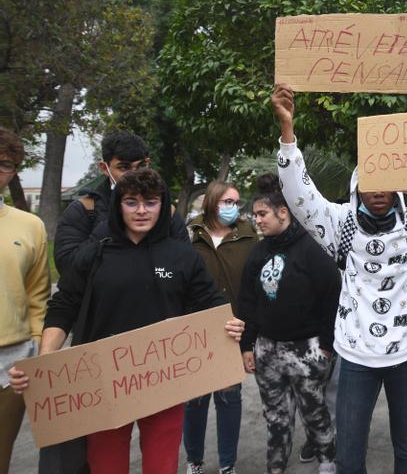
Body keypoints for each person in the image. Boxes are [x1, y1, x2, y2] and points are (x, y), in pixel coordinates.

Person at [271, 83, 407, 474]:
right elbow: (300, 195)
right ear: (356, 186)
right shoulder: (339, 224)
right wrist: (287, 135)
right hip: (355, 354)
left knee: (406, 449)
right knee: (348, 454)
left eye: (386, 180)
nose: (378, 190)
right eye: (369, 181)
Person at [8, 168, 244, 474]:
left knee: (162, 467)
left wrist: (229, 324)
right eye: (131, 202)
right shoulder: (93, 255)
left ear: (163, 205)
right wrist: (44, 362)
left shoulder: (183, 257)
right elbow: (63, 306)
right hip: (102, 388)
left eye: (151, 202)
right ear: (119, 205)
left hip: (166, 383)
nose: (142, 210)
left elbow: (211, 303)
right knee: (106, 467)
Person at [238, 173, 340, 474]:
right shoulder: (257, 254)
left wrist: (325, 346)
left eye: (262, 214)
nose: (258, 220)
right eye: (255, 214)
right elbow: (248, 303)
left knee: (315, 413)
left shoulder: (311, 249)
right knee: (276, 418)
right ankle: (276, 467)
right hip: (267, 350)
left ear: (283, 212)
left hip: (307, 350)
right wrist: (247, 346)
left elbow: (332, 298)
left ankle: (327, 462)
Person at [183, 181, 259, 474]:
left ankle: (227, 464)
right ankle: (194, 461)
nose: (233, 208)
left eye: (236, 203)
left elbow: (254, 290)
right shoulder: (190, 236)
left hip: (234, 332)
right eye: (227, 202)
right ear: (212, 202)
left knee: (229, 399)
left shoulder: (248, 237)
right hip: (195, 334)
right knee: (195, 401)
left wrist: (248, 341)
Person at [54, 131, 188, 276]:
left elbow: (187, 263)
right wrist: (110, 227)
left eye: (141, 166)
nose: (134, 174)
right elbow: (68, 267)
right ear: (104, 168)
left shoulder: (167, 211)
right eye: (124, 168)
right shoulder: (84, 209)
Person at [0, 127, 50, 474]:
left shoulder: (30, 226)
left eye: (3, 163)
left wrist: (34, 345)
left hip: (12, 362)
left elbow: (38, 293)